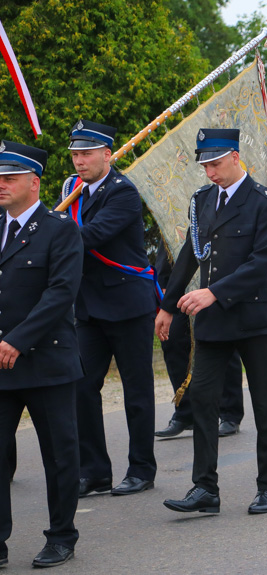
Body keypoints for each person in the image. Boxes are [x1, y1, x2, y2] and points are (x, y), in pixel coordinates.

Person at [157, 128, 267, 515]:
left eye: (215, 163)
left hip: (252, 318)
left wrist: (213, 292)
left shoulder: (265, 201)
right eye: (204, 166)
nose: (210, 172)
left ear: (234, 156)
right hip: (212, 322)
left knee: (264, 403)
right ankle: (205, 488)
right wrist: (167, 306)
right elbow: (189, 254)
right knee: (203, 400)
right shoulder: (201, 201)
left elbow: (262, 261)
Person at [61, 120, 158, 497]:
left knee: (137, 390)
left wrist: (45, 233)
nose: (79, 161)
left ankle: (141, 468)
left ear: (107, 154)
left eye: (86, 153)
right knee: (82, 387)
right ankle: (95, 471)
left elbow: (91, 236)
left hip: (127, 303)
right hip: (88, 306)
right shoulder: (73, 191)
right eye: (75, 154)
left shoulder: (123, 193)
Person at [0, 141, 84, 567]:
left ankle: (62, 536)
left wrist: (18, 339)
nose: (1, 184)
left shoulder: (59, 229)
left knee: (59, 453)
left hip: (46, 360)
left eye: (9, 177)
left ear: (34, 183)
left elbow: (60, 294)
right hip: (0, 363)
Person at [153, 239, 245, 438]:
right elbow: (168, 234)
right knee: (173, 339)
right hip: (179, 281)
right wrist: (164, 280)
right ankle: (186, 412)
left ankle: (230, 413)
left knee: (222, 342)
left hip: (214, 279)